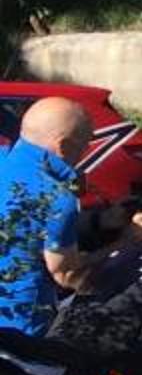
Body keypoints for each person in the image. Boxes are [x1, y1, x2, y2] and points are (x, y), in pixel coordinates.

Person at [0, 95, 97, 337]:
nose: (85, 153)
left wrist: (100, 220)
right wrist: (128, 241)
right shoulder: (55, 197)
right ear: (63, 146)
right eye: (85, 145)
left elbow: (25, 223)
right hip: (19, 332)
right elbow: (67, 275)